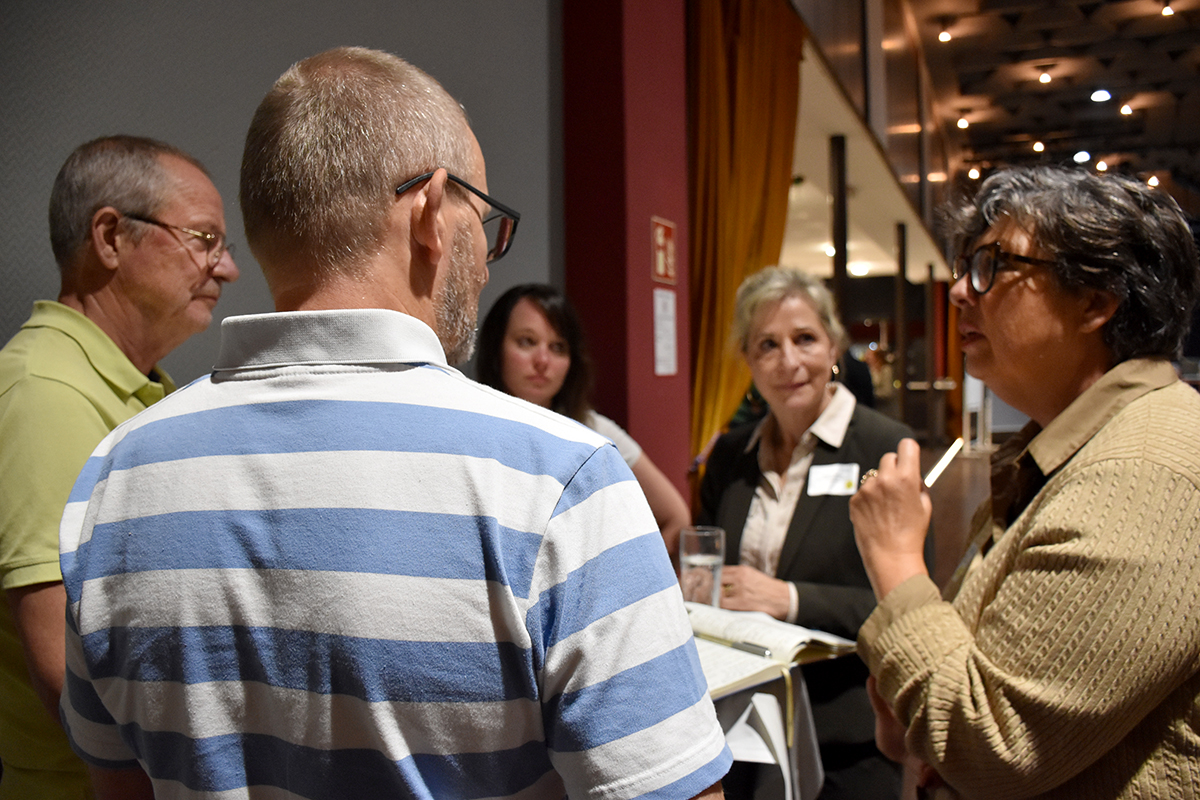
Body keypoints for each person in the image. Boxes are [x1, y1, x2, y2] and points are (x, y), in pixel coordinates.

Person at [58, 47, 730, 800]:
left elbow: (120, 787)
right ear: (429, 214)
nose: (485, 261)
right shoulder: (559, 482)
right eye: (483, 220)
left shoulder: (112, 479)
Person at [851, 166, 1200, 798]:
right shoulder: (1076, 447)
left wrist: (895, 559)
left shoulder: (1142, 472)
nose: (959, 291)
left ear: (1096, 301)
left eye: (991, 266)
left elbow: (994, 747)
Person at [0, 135, 238, 799]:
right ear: (109, 236)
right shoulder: (46, 393)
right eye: (205, 239)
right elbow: (62, 674)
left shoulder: (132, 389)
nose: (228, 269)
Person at [698, 266, 922, 799]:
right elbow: (708, 561)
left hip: (848, 734)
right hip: (742, 724)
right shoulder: (730, 455)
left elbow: (915, 605)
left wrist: (789, 599)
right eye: (767, 345)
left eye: (805, 339)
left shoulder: (884, 447)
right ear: (748, 361)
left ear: (833, 346)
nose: (790, 362)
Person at [478, 283, 692, 556]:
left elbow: (676, 516)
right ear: (496, 348)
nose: (542, 360)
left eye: (557, 347)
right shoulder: (474, 428)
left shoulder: (593, 430)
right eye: (526, 342)